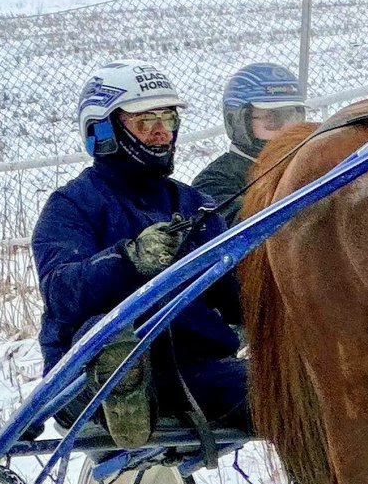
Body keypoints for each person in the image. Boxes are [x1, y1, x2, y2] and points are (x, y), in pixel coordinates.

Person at [191, 62, 368, 484]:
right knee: (310, 410)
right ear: (239, 124)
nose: (281, 128)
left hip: (322, 314)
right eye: (268, 120)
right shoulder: (220, 183)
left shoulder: (315, 168)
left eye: (291, 115)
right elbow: (225, 274)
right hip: (256, 323)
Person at [33, 59, 246, 450]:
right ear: (103, 131)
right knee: (112, 336)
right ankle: (126, 396)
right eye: (145, 122)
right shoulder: (72, 205)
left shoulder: (196, 204)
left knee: (285, 393)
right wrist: (130, 260)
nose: (163, 134)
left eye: (168, 119)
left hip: (192, 370)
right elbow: (61, 293)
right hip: (88, 379)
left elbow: (236, 298)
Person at [192, 62, 307, 227]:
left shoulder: (306, 160)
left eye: (293, 116)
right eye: (273, 118)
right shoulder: (213, 183)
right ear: (238, 121)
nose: (287, 129)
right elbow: (245, 229)